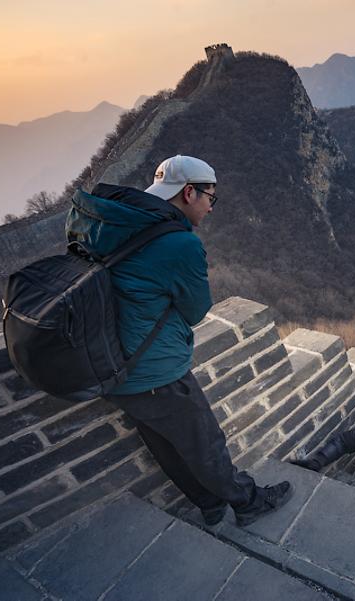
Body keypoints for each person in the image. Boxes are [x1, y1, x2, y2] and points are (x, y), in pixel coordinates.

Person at [66, 155, 291, 527]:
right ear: (189, 192)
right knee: (205, 443)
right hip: (156, 370)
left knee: (165, 446)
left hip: (111, 366)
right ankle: (247, 501)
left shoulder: (113, 221)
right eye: (210, 198)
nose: (210, 208)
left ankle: (209, 504)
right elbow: (195, 309)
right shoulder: (179, 244)